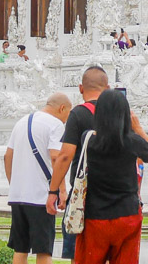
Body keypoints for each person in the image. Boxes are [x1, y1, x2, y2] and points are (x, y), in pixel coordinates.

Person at [76, 89, 148, 264]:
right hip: (127, 214)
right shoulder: (131, 141)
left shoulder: (88, 140)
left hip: (95, 215)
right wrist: (138, 128)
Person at [47, 65, 109, 259]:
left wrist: (53, 191)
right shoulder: (118, 113)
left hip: (84, 194)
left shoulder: (78, 114)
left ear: (81, 88)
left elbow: (65, 155)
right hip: (114, 192)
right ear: (107, 88)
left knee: (79, 252)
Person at [4, 94, 72, 264]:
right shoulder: (55, 125)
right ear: (62, 108)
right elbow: (56, 157)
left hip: (18, 196)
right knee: (43, 250)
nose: (66, 121)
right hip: (40, 196)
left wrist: (14, 184)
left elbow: (7, 156)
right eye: (68, 115)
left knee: (21, 249)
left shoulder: (21, 122)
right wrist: (62, 190)